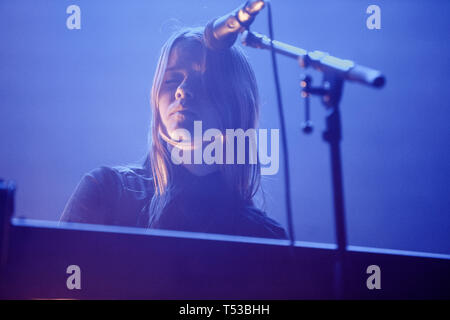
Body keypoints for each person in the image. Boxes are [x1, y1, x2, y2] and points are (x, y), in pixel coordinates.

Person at [60, 27, 287, 239]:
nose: (182, 90)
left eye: (204, 80)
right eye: (172, 79)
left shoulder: (266, 237)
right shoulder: (107, 190)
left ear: (238, 103)